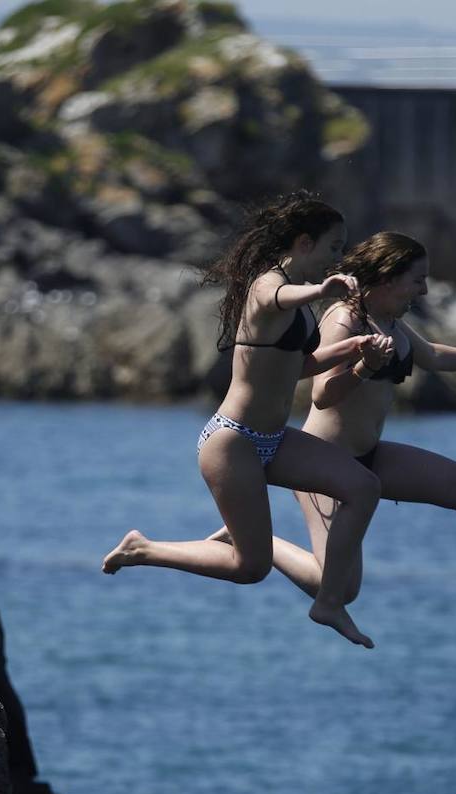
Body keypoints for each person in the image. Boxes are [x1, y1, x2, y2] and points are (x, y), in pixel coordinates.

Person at [225, 230, 456, 620]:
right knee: (343, 589)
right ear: (387, 276)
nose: (425, 291)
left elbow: (430, 355)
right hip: (324, 467)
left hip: (369, 456)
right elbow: (322, 394)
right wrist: (366, 367)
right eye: (418, 279)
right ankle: (259, 543)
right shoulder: (344, 319)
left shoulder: (389, 320)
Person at [102, 191, 392, 649]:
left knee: (363, 487)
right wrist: (321, 291)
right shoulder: (269, 285)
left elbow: (297, 367)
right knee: (249, 568)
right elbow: (278, 297)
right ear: (303, 242)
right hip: (232, 441)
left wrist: (354, 351)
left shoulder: (298, 305)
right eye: (333, 247)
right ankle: (143, 549)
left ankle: (329, 601)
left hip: (274, 438)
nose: (338, 259)